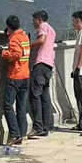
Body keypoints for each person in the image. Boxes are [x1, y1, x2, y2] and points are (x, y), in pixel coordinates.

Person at [0, 15, 30, 145]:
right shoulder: (24, 36)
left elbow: (17, 54)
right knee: (21, 107)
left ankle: (15, 134)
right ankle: (21, 133)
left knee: (8, 105)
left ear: (8, 27)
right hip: (25, 75)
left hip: (15, 75)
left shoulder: (14, 38)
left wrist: (3, 52)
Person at [27, 10, 56, 139]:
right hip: (48, 66)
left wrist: (27, 46)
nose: (33, 23)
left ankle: (38, 127)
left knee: (35, 95)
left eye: (34, 20)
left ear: (39, 19)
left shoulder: (43, 26)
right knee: (45, 97)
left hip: (40, 64)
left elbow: (41, 40)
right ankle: (46, 126)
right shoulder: (52, 30)